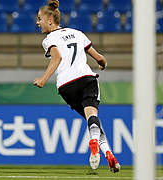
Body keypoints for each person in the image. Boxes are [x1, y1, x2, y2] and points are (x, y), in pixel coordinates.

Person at [33, 0, 120, 173]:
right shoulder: (77, 33)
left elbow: (56, 57)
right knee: (92, 118)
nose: (37, 22)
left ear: (50, 19)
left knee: (92, 122)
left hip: (66, 86)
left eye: (39, 18)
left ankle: (110, 155)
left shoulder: (49, 39)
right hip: (86, 79)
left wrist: (44, 78)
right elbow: (99, 57)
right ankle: (96, 145)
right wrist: (103, 63)